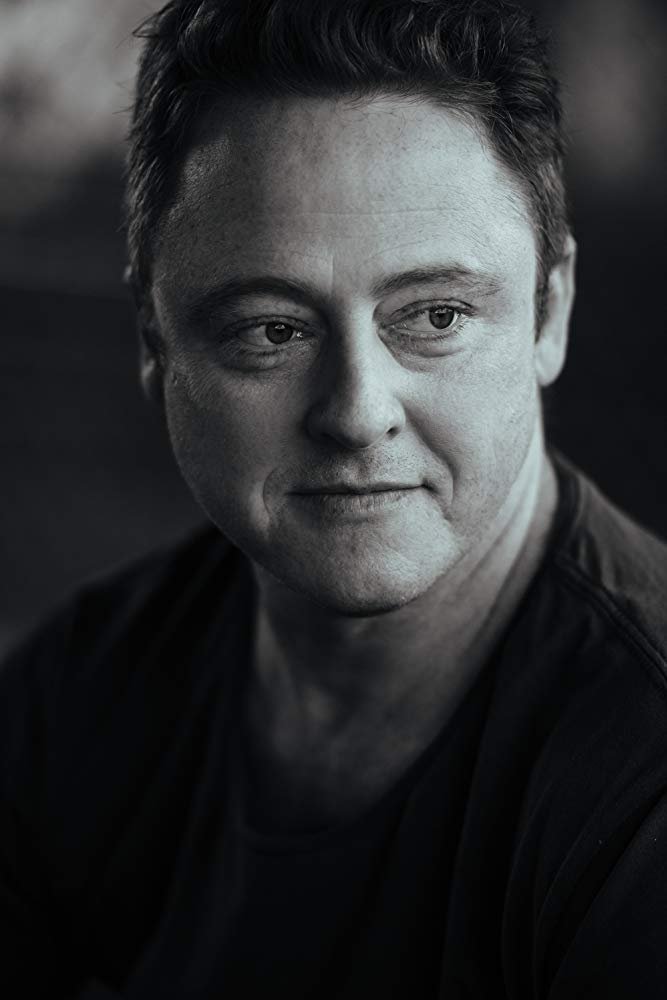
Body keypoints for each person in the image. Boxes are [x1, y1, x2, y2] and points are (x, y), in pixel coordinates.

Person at [2, 0, 666, 996]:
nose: (357, 412)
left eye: (434, 316)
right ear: (155, 344)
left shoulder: (642, 779)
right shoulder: (78, 698)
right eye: (272, 329)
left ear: (549, 312)